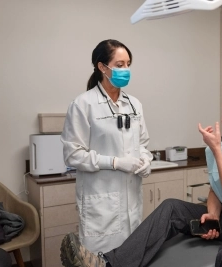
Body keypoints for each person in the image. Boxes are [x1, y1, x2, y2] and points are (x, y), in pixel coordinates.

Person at [60, 80, 222, 267]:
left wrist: (217, 151)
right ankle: (109, 263)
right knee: (172, 207)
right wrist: (212, 214)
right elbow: (217, 187)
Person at [60, 39, 153, 255]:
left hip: (132, 201)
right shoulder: (83, 104)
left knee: (131, 257)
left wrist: (146, 161)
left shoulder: (134, 105)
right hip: (101, 204)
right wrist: (116, 162)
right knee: (101, 260)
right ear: (102, 67)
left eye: (128, 64)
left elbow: (143, 145)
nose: (126, 70)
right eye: (119, 65)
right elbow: (73, 155)